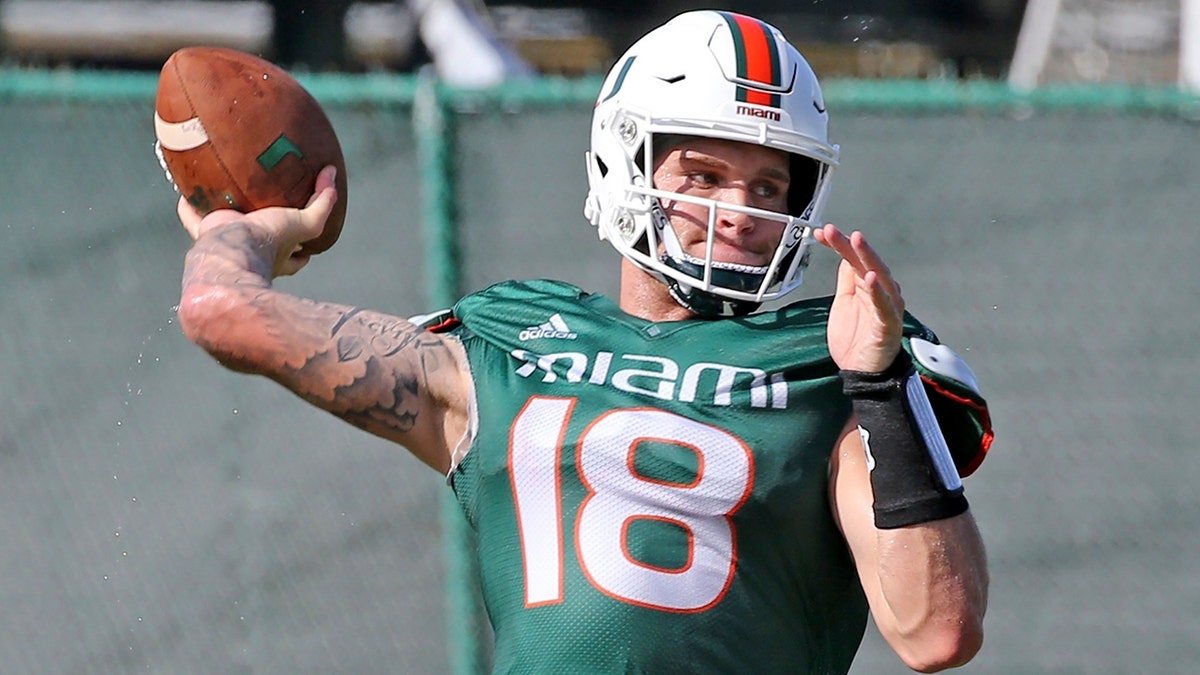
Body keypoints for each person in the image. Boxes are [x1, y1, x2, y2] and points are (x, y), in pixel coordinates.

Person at [174, 10, 993, 674]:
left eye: (769, 184)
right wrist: (248, 229)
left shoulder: (834, 359)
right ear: (623, 161)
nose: (741, 212)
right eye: (704, 176)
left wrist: (881, 383)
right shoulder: (510, 337)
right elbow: (221, 310)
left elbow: (935, 632)